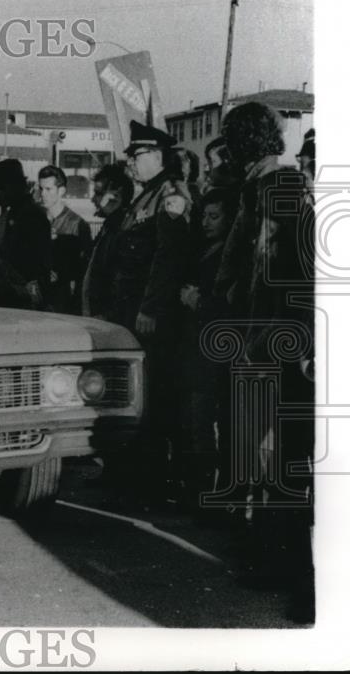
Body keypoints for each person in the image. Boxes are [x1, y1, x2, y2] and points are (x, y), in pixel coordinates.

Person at [213, 102, 315, 622]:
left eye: (231, 144)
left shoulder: (283, 190)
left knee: (285, 458)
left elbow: (300, 276)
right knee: (269, 455)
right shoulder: (260, 188)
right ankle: (272, 556)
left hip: (282, 347)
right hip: (263, 342)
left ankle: (294, 571)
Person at [109, 120, 192, 500]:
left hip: (150, 312)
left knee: (157, 394)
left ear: (158, 156)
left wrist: (151, 305)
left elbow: (168, 256)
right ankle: (139, 474)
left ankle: (158, 479)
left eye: (138, 155)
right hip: (131, 307)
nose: (132, 162)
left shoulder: (170, 194)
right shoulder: (145, 196)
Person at [178, 186, 238, 518]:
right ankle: (203, 492)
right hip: (198, 352)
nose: (206, 222)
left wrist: (197, 301)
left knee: (210, 427)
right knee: (199, 423)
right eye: (204, 215)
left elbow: (228, 306)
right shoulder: (205, 251)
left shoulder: (229, 256)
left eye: (214, 216)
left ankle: (213, 497)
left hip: (215, 354)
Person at [0, 158, 51, 309]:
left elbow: (34, 267)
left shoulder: (31, 215)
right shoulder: (8, 212)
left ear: (13, 186)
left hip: (21, 298)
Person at [82, 162, 134, 320]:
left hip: (106, 319)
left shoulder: (123, 231)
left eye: (98, 193)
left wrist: (108, 314)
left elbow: (122, 282)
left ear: (116, 196)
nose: (92, 199)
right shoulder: (109, 227)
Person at [38, 165, 93, 314]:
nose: (43, 194)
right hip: (36, 299)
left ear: (61, 191)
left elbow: (85, 268)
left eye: (48, 189)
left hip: (63, 302)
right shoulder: (34, 220)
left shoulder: (77, 224)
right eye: (41, 189)